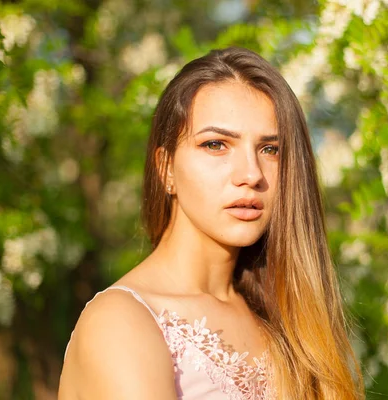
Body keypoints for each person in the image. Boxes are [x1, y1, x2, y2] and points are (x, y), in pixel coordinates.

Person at [58, 47, 363, 400]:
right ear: (166, 168)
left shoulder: (289, 323)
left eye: (270, 150)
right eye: (216, 144)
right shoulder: (121, 323)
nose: (251, 174)